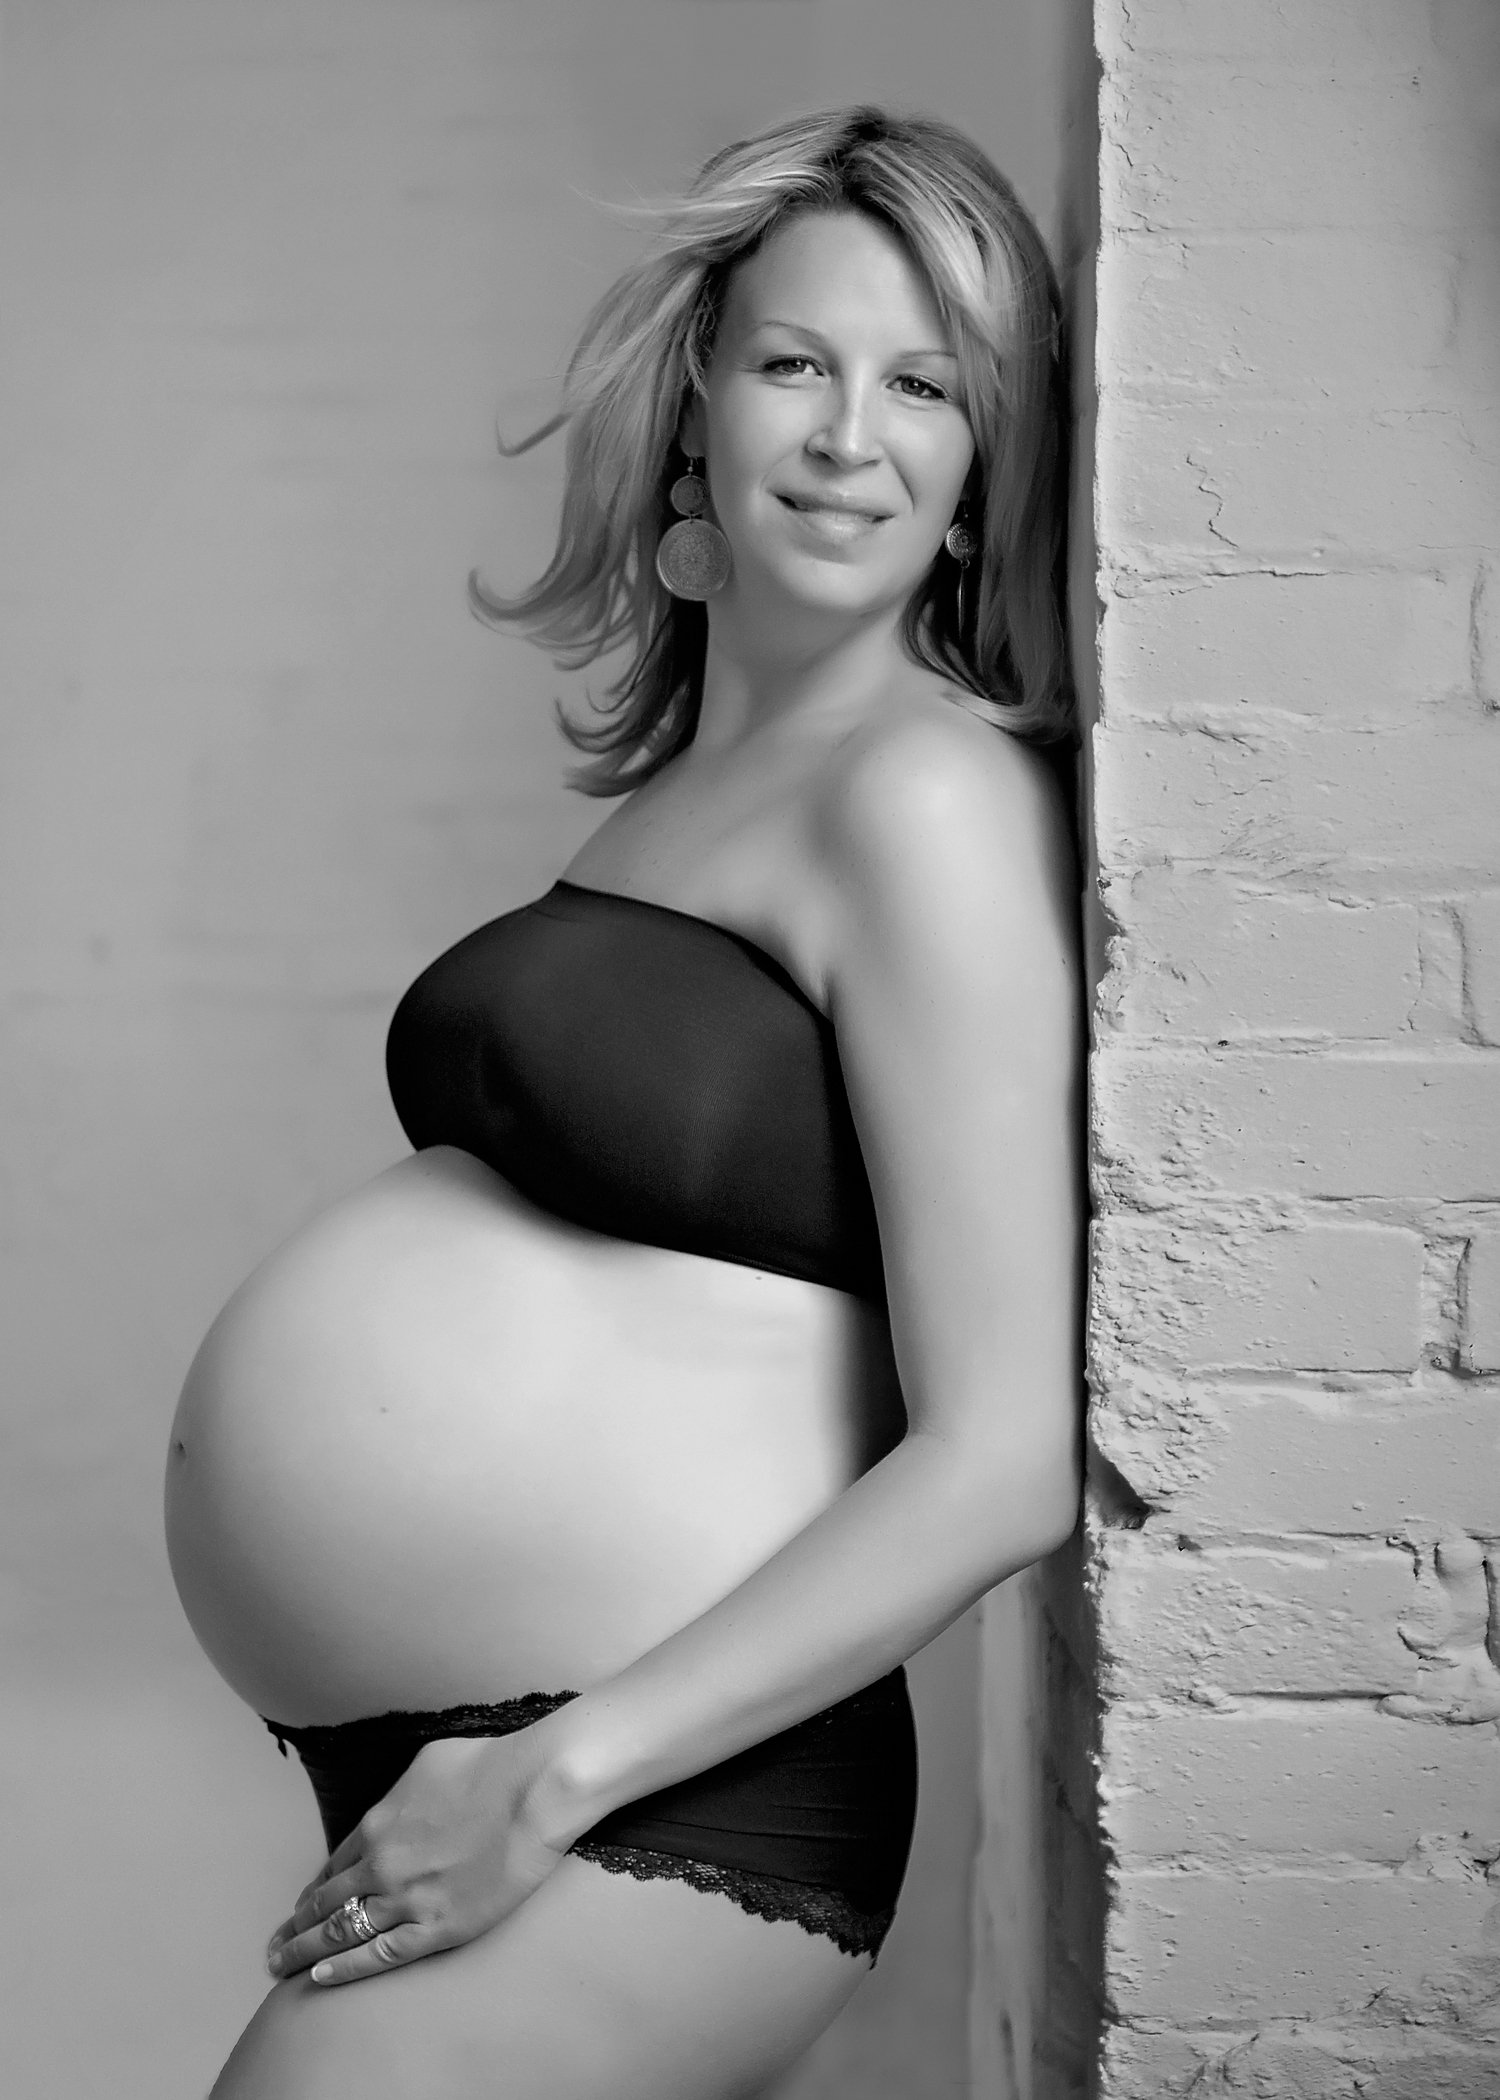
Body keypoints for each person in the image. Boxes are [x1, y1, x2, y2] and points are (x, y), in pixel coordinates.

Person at [166, 104, 1083, 2100]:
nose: (851, 436)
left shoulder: (925, 801)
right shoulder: (704, 796)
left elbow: (1008, 1451)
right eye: (795, 364)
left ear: (986, 457)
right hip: (514, 1768)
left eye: (926, 386)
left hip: (651, 1793)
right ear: (695, 415)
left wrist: (551, 1776)